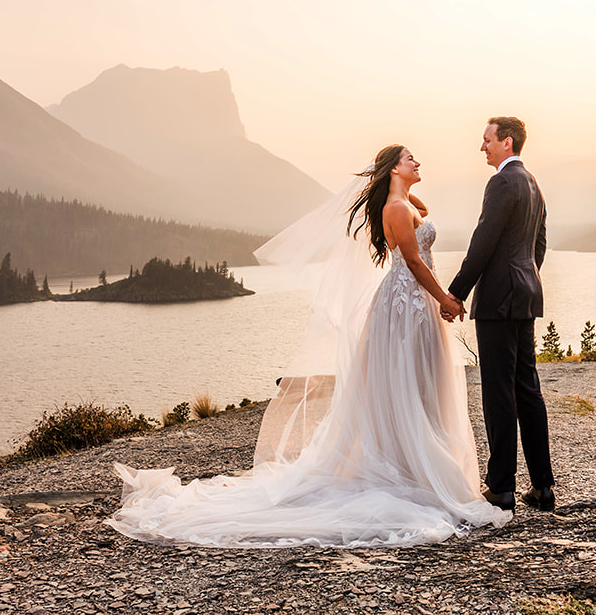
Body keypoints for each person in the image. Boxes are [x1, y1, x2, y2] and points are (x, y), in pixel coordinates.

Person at [106, 144, 510, 547]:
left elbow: (422, 215)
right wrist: (446, 298)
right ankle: (412, 468)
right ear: (392, 170)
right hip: (406, 303)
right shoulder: (397, 210)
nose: (418, 162)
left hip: (409, 298)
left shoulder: (402, 203)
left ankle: (413, 464)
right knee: (406, 382)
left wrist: (399, 185)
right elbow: (416, 261)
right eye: (410, 160)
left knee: (416, 382)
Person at [444, 116, 556, 513]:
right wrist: (525, 276)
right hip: (525, 295)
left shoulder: (502, 182)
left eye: (487, 140)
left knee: (498, 391)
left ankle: (502, 487)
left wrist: (455, 293)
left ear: (506, 142)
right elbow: (538, 244)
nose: (482, 147)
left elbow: (484, 241)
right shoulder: (533, 184)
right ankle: (542, 487)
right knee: (527, 388)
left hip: (499, 300)